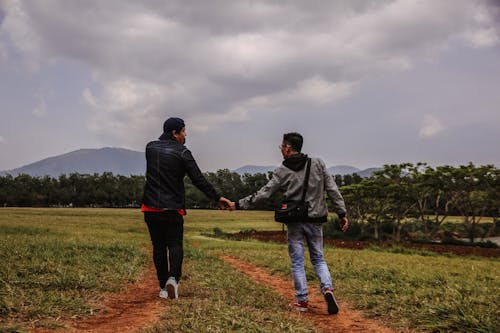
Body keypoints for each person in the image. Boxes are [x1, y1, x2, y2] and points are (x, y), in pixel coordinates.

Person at [234, 132, 349, 314]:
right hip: (315, 219)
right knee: (318, 258)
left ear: (288, 147)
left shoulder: (283, 170)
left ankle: (302, 301)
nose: (281, 150)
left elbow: (265, 193)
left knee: (297, 261)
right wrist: (341, 213)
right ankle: (327, 288)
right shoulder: (318, 163)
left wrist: (239, 205)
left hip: (295, 221)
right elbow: (333, 190)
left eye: (281, 146)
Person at [141, 117, 233, 299]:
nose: (185, 135)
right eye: (183, 131)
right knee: (175, 244)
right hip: (173, 208)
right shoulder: (183, 153)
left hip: (150, 207)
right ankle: (173, 280)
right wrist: (217, 197)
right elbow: (198, 179)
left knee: (158, 247)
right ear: (175, 133)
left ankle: (162, 287)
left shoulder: (150, 148)